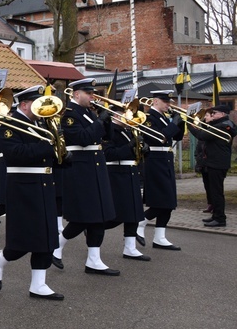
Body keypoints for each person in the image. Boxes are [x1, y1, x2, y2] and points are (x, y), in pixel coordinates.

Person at [0, 85, 64, 300]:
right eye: (37, 102)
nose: (43, 106)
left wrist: (62, 158)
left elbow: (48, 153)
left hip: (44, 183)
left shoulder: (41, 123)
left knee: (47, 237)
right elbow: (15, 153)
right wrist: (49, 146)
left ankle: (38, 284)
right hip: (23, 184)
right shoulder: (8, 124)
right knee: (24, 238)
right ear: (24, 104)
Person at [52, 78, 118, 275]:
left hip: (96, 167)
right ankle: (57, 245)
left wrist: (106, 122)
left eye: (92, 93)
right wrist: (99, 121)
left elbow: (107, 138)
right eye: (88, 93)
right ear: (76, 94)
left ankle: (94, 260)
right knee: (83, 217)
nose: (92, 96)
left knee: (99, 217)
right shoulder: (69, 115)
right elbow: (82, 139)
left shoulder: (89, 112)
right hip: (81, 169)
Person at [136, 90, 185, 249]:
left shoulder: (164, 118)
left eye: (169, 101)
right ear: (155, 101)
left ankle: (160, 237)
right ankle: (140, 222)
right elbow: (158, 137)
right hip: (155, 160)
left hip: (166, 159)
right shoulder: (148, 118)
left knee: (170, 201)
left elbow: (176, 137)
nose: (168, 104)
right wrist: (172, 124)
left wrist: (180, 122)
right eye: (165, 101)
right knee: (161, 201)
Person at [101, 103, 150, 261]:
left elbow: (134, 153)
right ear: (115, 116)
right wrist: (130, 147)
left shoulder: (128, 130)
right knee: (118, 214)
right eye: (125, 113)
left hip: (131, 173)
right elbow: (108, 154)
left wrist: (143, 149)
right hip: (117, 173)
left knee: (134, 212)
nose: (129, 116)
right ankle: (94, 227)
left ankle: (130, 248)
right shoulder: (110, 131)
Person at [189, 104, 235, 227]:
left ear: (222, 114)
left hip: (217, 163)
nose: (212, 115)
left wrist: (188, 122)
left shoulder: (223, 126)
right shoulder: (221, 124)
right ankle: (216, 215)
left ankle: (220, 219)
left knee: (217, 192)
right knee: (214, 192)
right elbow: (205, 129)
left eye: (215, 113)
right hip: (214, 162)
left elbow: (202, 135)